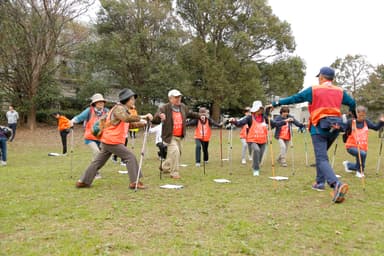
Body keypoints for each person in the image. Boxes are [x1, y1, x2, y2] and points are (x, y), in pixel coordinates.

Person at [271, 66, 356, 204]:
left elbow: (295, 98)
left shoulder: (315, 89)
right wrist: (354, 115)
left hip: (319, 127)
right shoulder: (340, 91)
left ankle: (336, 184)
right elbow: (352, 103)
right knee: (321, 156)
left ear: (322, 77)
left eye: (319, 77)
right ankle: (319, 182)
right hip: (335, 128)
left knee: (321, 157)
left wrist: (277, 102)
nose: (318, 79)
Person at [76, 88, 153, 189]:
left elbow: (129, 125)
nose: (134, 101)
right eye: (133, 99)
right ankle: (135, 182)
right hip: (113, 140)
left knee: (97, 163)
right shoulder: (119, 108)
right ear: (127, 100)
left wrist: (143, 124)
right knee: (130, 157)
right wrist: (143, 117)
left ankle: (83, 181)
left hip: (108, 140)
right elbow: (126, 118)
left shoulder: (123, 110)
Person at [153, 89, 201, 179]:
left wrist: (200, 115)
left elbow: (190, 114)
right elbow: (155, 119)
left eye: (179, 97)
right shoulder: (164, 108)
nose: (178, 99)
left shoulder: (182, 107)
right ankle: (174, 173)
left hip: (180, 136)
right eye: (176, 97)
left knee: (176, 154)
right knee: (175, 152)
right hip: (170, 136)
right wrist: (160, 116)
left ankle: (164, 166)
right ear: (170, 98)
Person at [70, 93, 109, 179]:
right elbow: (79, 117)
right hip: (90, 137)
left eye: (102, 102)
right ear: (94, 103)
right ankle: (95, 172)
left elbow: (112, 119)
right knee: (96, 152)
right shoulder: (89, 110)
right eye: (98, 102)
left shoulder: (106, 111)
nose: (101, 103)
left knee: (101, 155)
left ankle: (94, 169)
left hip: (101, 137)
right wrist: (72, 121)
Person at [230, 101, 270, 176]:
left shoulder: (264, 118)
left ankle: (255, 165)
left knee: (260, 157)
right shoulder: (249, 118)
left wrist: (284, 121)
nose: (260, 110)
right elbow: (239, 123)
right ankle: (256, 170)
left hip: (263, 140)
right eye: (259, 109)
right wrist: (233, 121)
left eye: (261, 109)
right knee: (256, 150)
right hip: (252, 140)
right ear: (255, 110)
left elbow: (274, 124)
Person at [342, 106, 384, 178]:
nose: (362, 117)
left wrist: (381, 122)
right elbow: (343, 129)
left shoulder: (366, 122)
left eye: (364, 115)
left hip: (363, 147)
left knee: (361, 159)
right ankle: (359, 172)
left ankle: (348, 165)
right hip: (351, 146)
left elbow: (376, 128)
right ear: (357, 114)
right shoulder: (351, 122)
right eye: (360, 115)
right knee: (362, 154)